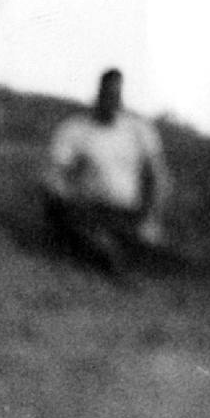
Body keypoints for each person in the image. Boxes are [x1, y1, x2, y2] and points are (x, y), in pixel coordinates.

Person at [42, 69, 174, 274]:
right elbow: (56, 174)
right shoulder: (75, 129)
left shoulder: (140, 130)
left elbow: (158, 177)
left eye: (116, 96)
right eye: (107, 95)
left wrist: (152, 220)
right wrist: (62, 193)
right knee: (77, 223)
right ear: (98, 94)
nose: (112, 101)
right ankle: (104, 254)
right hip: (87, 209)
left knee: (160, 255)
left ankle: (119, 252)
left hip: (126, 213)